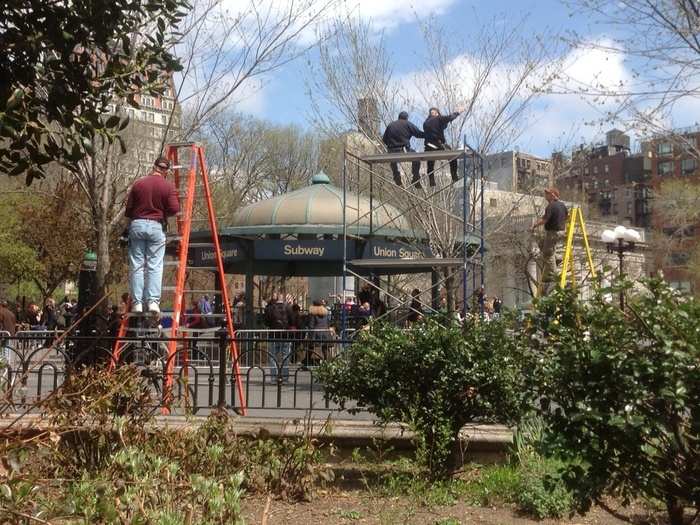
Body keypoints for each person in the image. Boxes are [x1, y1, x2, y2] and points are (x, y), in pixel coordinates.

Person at [125, 156, 180, 314]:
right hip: (156, 225)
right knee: (155, 266)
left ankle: (137, 303)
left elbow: (128, 210)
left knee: (137, 265)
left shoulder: (139, 183)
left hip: (137, 224)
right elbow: (175, 209)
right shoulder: (167, 186)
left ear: (154, 166)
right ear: (166, 171)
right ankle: (153, 302)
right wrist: (162, 212)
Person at [531, 187, 568, 294]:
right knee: (542, 242)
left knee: (547, 253)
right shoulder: (563, 206)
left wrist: (534, 225)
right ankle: (556, 258)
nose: (545, 196)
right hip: (560, 231)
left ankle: (552, 275)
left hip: (553, 232)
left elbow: (545, 219)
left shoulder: (551, 206)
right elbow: (566, 216)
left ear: (553, 195)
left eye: (547, 194)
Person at [382, 111, 425, 188]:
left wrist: (392, 144)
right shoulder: (407, 124)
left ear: (399, 117)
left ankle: (396, 177)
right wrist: (430, 135)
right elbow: (418, 134)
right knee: (416, 157)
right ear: (406, 118)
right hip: (403, 150)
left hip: (391, 151)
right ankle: (415, 177)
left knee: (393, 160)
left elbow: (384, 139)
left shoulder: (391, 125)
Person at [423, 107, 462, 186]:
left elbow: (439, 127)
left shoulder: (425, 123)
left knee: (430, 161)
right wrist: (458, 112)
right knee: (453, 156)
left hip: (427, 146)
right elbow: (450, 117)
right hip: (437, 145)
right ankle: (454, 176)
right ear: (436, 113)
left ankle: (431, 180)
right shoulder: (438, 118)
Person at [264, 293, 290, 382]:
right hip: (285, 335)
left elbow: (266, 321)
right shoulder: (288, 308)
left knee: (272, 356)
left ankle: (274, 378)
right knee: (285, 356)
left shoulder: (270, 308)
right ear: (283, 299)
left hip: (273, 334)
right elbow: (292, 320)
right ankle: (285, 377)